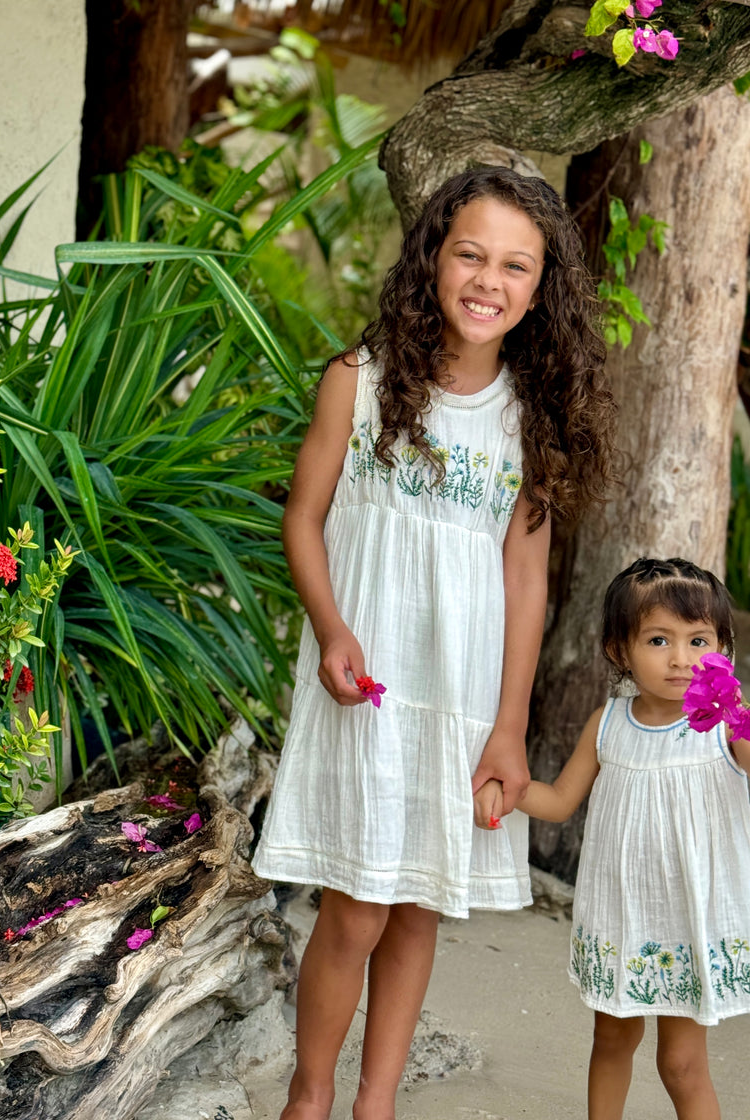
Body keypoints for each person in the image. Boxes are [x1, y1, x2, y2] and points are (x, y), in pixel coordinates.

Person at [251, 164, 616, 1120]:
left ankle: (377, 1105)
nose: (488, 281)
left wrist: (508, 729)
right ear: (432, 259)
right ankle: (310, 1094)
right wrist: (332, 628)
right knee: (358, 907)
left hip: (460, 699)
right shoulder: (359, 382)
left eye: (516, 266)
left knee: (419, 907)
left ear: (543, 290)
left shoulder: (528, 425)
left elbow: (525, 584)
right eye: (470, 254)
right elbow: (303, 516)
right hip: (367, 686)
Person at [475, 556, 750, 1120]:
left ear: (722, 649)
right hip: (623, 916)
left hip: (688, 917)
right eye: (658, 639)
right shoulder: (608, 722)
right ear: (618, 650)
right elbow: (557, 801)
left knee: (680, 1064)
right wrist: (506, 790)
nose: (681, 659)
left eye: (700, 640)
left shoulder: (727, 722)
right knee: (612, 1040)